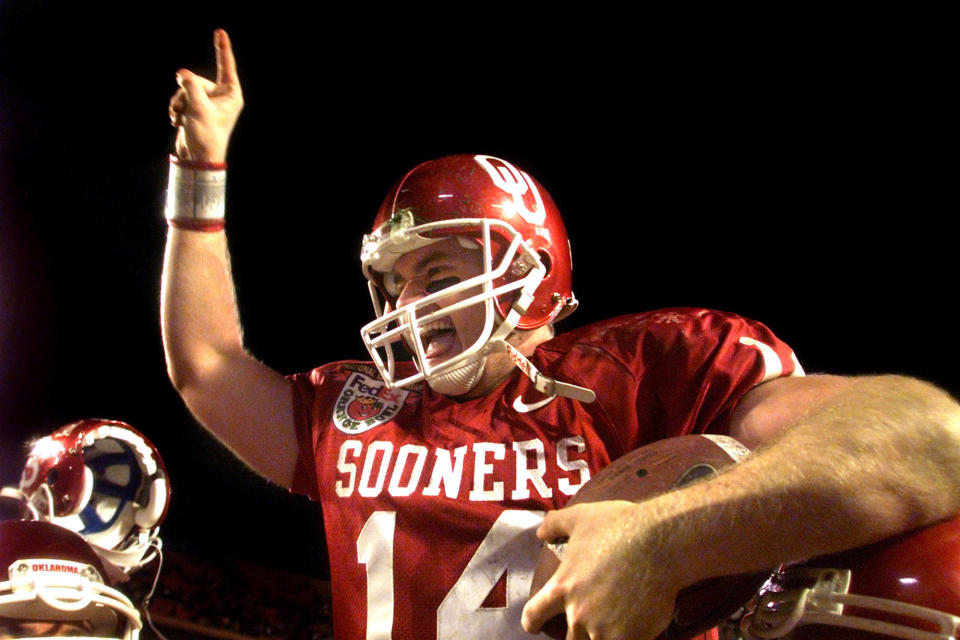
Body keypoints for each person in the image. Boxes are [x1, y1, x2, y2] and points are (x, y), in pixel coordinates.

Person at [160, 30, 960, 640]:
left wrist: (665, 540)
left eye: (438, 276)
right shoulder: (364, 407)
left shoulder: (649, 370)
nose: (411, 302)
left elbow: (930, 440)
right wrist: (200, 169)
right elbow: (205, 365)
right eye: (397, 281)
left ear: (529, 273)